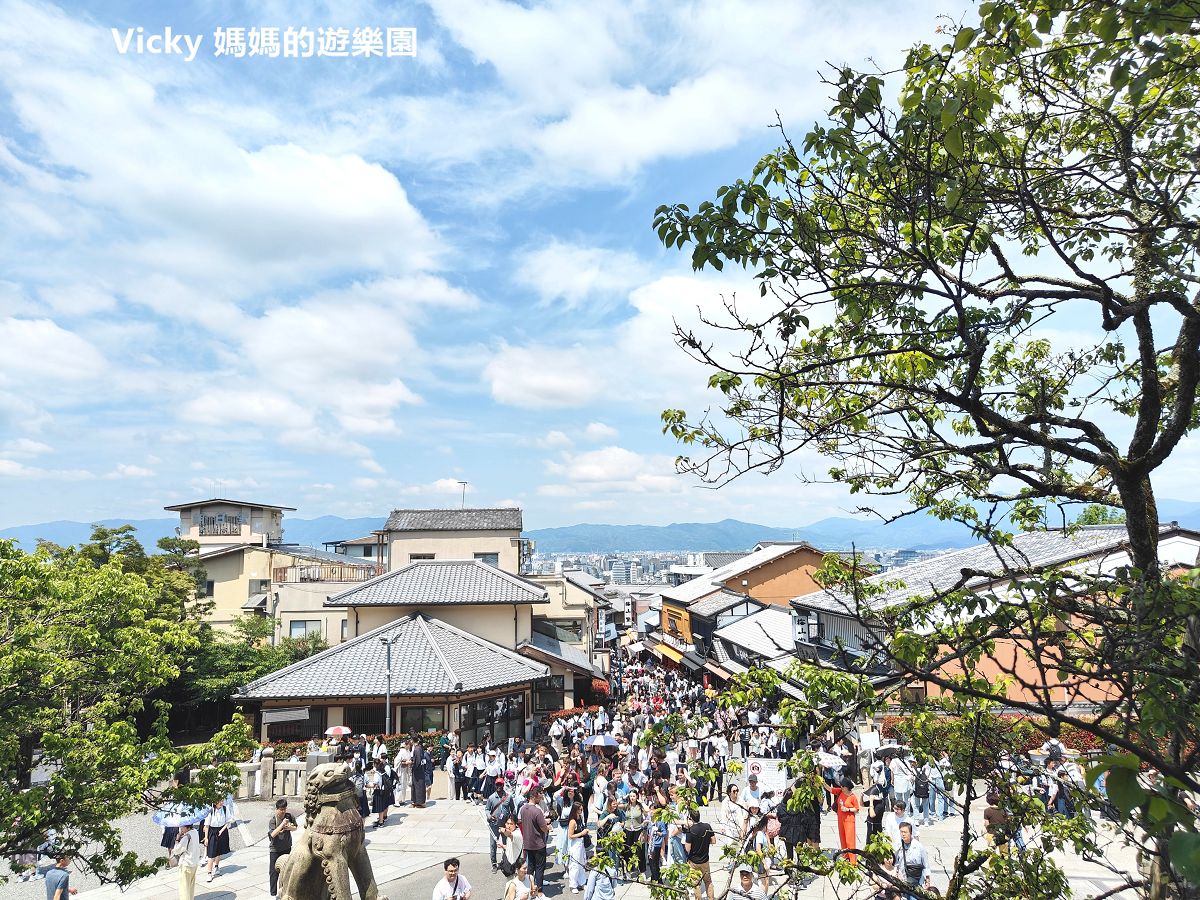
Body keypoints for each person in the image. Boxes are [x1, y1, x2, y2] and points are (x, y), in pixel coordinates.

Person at [519, 785, 551, 890]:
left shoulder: (523, 809)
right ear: (534, 796)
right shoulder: (537, 811)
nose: (540, 799)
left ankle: (529, 888)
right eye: (539, 797)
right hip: (538, 844)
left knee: (530, 867)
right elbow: (543, 828)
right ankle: (539, 890)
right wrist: (548, 827)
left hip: (528, 843)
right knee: (539, 868)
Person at [267, 798, 297, 898]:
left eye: (284, 809)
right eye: (281, 809)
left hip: (287, 847)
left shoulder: (289, 816)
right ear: (276, 809)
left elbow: (295, 828)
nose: (283, 811)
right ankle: (273, 894)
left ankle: (285, 890)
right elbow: (272, 834)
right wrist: (282, 825)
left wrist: (289, 827)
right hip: (275, 849)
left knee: (287, 871)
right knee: (273, 873)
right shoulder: (273, 820)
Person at [684, 810, 715, 900]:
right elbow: (713, 841)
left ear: (691, 818)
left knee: (696, 884)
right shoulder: (707, 826)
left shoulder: (690, 831)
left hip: (694, 861)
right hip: (705, 860)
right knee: (708, 881)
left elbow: (687, 848)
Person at [894, 823, 931, 899]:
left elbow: (926, 864)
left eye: (905, 832)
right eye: (901, 832)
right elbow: (895, 862)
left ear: (910, 833)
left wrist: (927, 879)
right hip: (903, 878)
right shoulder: (898, 845)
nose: (903, 834)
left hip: (916, 879)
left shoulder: (919, 846)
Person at [171, 823, 203, 900]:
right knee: (191, 885)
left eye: (182, 827)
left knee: (184, 887)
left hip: (186, 863)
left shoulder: (186, 837)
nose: (181, 829)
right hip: (194, 862)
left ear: (187, 827)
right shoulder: (195, 831)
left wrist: (177, 839)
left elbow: (177, 850)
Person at [833, 777, 860, 864]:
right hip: (840, 819)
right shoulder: (840, 791)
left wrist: (847, 809)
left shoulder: (852, 797)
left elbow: (857, 809)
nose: (841, 787)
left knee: (850, 840)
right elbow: (830, 789)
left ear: (847, 787)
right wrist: (822, 782)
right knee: (842, 838)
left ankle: (853, 861)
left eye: (842, 786)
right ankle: (845, 856)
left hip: (849, 819)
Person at [203, 797, 231, 882]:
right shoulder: (210, 810)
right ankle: (209, 872)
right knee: (211, 853)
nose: (222, 803)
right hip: (212, 831)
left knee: (219, 850)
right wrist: (206, 837)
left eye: (222, 801)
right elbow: (207, 825)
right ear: (215, 802)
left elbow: (228, 821)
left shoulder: (225, 809)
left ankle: (216, 866)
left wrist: (222, 830)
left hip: (222, 830)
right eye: (220, 801)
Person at [566, 801, 588, 893]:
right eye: (579, 809)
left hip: (581, 843)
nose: (581, 811)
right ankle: (573, 885)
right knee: (574, 865)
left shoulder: (580, 817)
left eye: (582, 809)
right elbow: (570, 836)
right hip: (575, 844)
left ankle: (582, 882)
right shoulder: (572, 821)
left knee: (582, 863)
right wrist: (581, 833)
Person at [412, 741, 430, 807]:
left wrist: (413, 765)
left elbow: (417, 762)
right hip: (420, 770)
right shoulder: (420, 748)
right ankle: (418, 801)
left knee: (418, 786)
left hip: (418, 770)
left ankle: (419, 801)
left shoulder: (417, 749)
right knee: (419, 786)